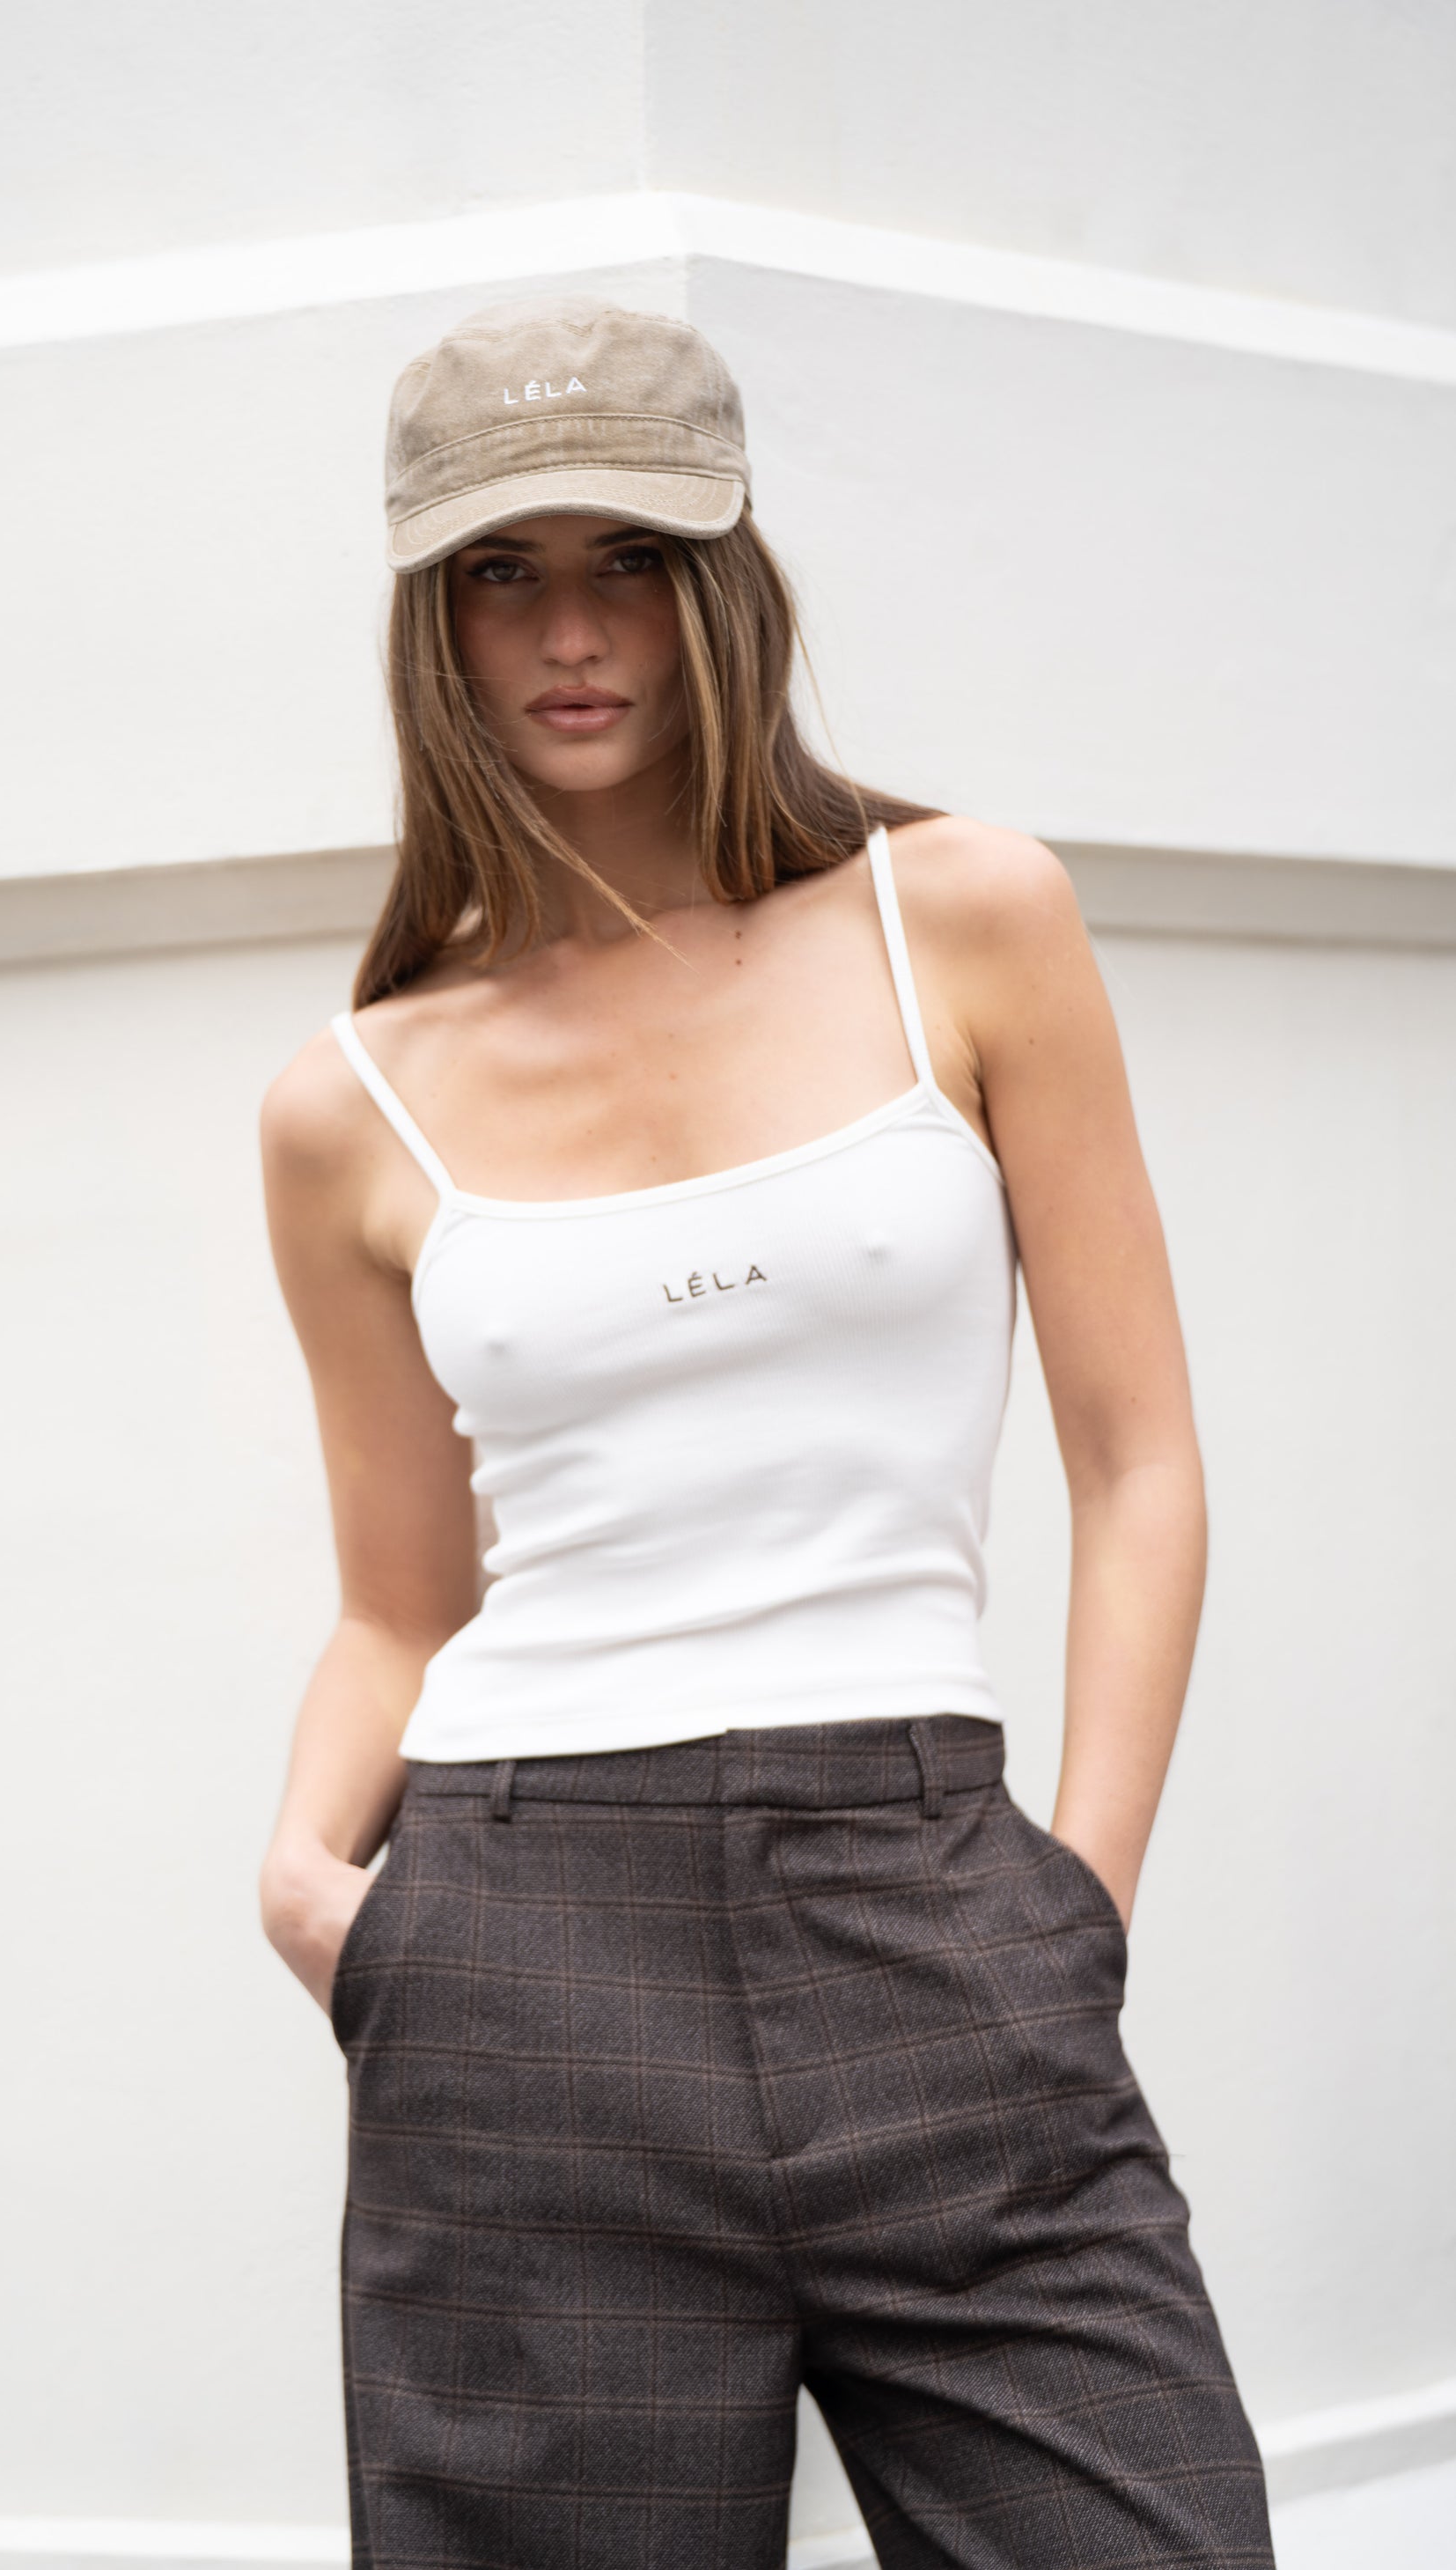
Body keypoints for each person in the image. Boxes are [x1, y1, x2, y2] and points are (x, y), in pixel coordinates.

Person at [256, 296, 1276, 2568]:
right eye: (502, 575)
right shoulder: (354, 1103)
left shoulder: (963, 920)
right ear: (431, 622)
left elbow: (1138, 1460)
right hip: (518, 1956)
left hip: (931, 1908)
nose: (571, 634)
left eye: (628, 559)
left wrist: (1075, 1912)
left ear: (726, 580)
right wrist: (311, 1882)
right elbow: (398, 1605)